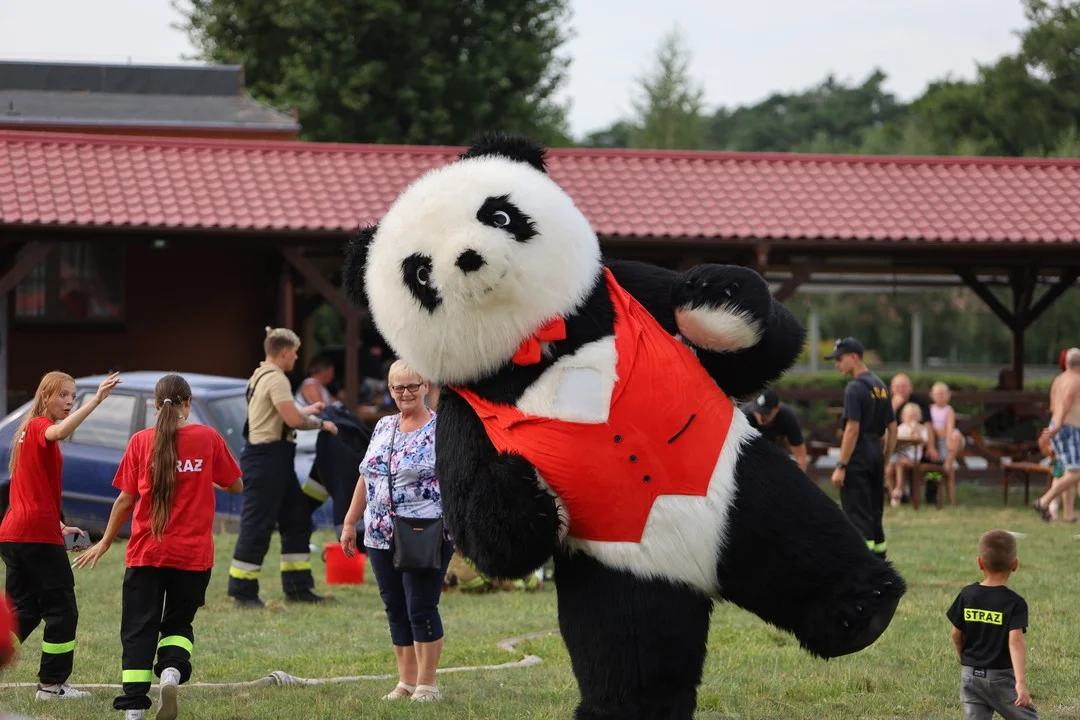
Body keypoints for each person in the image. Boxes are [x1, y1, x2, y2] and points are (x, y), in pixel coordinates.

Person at [72, 374, 243, 720]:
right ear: (188, 404)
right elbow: (236, 485)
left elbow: (124, 500)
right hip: (193, 557)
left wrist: (105, 542)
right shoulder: (208, 439)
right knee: (179, 623)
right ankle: (171, 671)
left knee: (138, 627)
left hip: (147, 553)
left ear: (154, 405)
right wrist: (201, 474)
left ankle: (134, 708)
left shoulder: (139, 442)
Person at [0, 370, 120, 701]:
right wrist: (97, 400)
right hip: (34, 536)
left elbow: (32, 491)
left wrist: (60, 526)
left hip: (14, 533)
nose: (69, 401)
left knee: (24, 609)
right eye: (64, 395)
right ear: (45, 396)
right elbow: (61, 431)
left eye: (74, 396)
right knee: (62, 611)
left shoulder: (25, 431)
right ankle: (52, 687)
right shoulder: (40, 426)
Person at [340, 360, 453, 703]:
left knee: (420, 604)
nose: (405, 393)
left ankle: (427, 684)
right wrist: (349, 522)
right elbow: (366, 475)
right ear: (389, 390)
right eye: (398, 388)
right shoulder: (383, 426)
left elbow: (457, 482)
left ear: (426, 386)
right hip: (378, 534)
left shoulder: (441, 429)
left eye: (412, 386)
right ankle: (405, 682)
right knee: (395, 607)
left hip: (425, 532)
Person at [227, 327, 338, 608]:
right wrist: (322, 423)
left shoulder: (260, 373)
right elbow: (292, 421)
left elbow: (281, 414)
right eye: (296, 352)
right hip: (267, 459)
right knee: (258, 524)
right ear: (285, 352)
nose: (297, 357)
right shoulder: (277, 379)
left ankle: (298, 587)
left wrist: (306, 410)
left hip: (274, 458)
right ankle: (242, 590)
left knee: (298, 518)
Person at [946, 529, 1038, 719]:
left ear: (979, 562)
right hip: (1000, 679)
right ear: (1015, 565)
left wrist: (966, 659)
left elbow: (955, 634)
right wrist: (1020, 683)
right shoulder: (1015, 603)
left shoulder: (967, 595)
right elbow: (1015, 642)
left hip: (969, 676)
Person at [826, 337, 897, 559]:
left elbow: (852, 430)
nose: (837, 363)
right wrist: (885, 459)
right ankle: (879, 562)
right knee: (875, 512)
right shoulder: (881, 386)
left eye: (839, 358)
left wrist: (841, 464)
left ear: (854, 357)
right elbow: (892, 428)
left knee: (857, 514)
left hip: (858, 455)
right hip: (876, 451)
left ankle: (862, 565)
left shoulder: (855, 388)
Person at [1032, 348, 1080, 521]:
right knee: (1075, 472)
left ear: (1066, 363)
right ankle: (1044, 501)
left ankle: (1067, 515)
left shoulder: (1059, 380)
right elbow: (1067, 401)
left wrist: (1054, 426)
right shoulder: (1075, 380)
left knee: (1069, 471)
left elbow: (1053, 406)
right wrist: (1059, 425)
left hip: (1058, 426)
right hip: (1069, 427)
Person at [740, 387, 808, 474]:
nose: (761, 417)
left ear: (777, 409)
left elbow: (800, 457)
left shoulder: (787, 417)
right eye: (758, 412)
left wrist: (798, 483)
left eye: (765, 413)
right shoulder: (744, 417)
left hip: (777, 455)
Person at [929, 381, 966, 507]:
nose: (940, 396)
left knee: (955, 436)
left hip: (948, 440)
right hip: (937, 441)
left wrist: (949, 441)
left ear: (948, 395)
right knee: (948, 474)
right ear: (932, 395)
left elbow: (950, 427)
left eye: (943, 394)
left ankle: (949, 460)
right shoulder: (930, 409)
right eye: (938, 394)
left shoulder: (949, 410)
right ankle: (948, 463)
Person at [891, 402, 929, 508]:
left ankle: (899, 490)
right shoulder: (901, 428)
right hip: (901, 455)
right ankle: (894, 495)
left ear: (919, 417)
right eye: (909, 415)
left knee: (900, 462)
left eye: (914, 415)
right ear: (903, 417)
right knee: (891, 467)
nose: (912, 418)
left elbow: (923, 442)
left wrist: (915, 430)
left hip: (914, 457)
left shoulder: (922, 429)